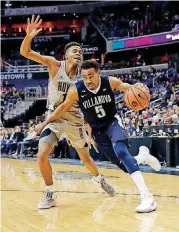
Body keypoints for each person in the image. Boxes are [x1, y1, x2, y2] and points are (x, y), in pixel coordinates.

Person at [36, 60, 160, 213]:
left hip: (112, 123)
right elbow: (61, 108)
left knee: (121, 152)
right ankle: (143, 157)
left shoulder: (110, 82)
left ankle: (147, 197)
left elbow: (128, 88)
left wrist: (139, 91)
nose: (88, 80)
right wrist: (44, 123)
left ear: (98, 73)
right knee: (123, 165)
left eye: (91, 76)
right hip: (97, 131)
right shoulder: (77, 89)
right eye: (85, 77)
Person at [20, 15, 115, 209]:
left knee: (85, 158)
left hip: (75, 121)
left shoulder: (86, 77)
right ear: (66, 56)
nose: (78, 53)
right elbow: (25, 52)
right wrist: (29, 36)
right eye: (74, 51)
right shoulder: (55, 65)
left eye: (80, 51)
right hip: (53, 119)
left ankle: (98, 179)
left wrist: (89, 130)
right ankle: (50, 193)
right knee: (42, 154)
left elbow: (87, 104)